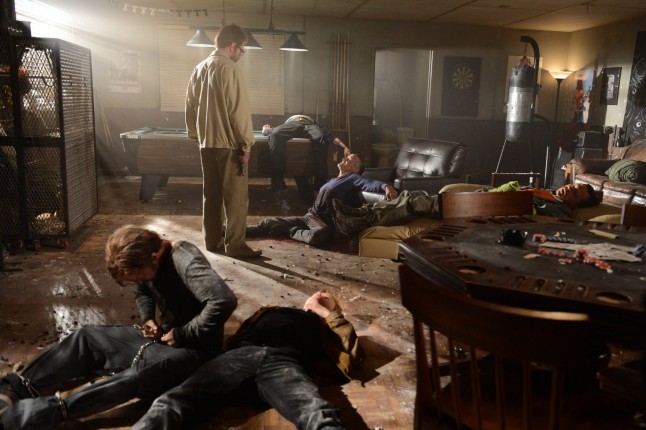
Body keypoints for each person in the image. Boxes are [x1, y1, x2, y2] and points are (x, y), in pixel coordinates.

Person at [0, 225, 237, 429]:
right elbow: (143, 291)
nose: (139, 281)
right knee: (88, 336)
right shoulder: (146, 262)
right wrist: (148, 319)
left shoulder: (185, 259)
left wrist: (183, 333)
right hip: (164, 340)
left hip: (195, 353)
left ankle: (44, 413)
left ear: (154, 256)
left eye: (140, 276)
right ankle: (16, 389)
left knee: (140, 372)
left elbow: (223, 301)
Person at [131, 290, 365, 429]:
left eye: (326, 299)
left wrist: (325, 314)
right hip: (240, 355)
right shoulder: (273, 309)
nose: (320, 296)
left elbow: (352, 354)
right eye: (318, 294)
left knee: (317, 411)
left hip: (284, 363)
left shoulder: (326, 328)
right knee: (172, 402)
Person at [185, 23, 261, 259]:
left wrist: (196, 136)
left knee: (211, 195)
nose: (241, 54)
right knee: (236, 198)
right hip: (229, 144)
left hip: (206, 143)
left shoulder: (199, 68)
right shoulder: (230, 69)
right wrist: (246, 144)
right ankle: (235, 245)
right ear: (232, 46)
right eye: (242, 49)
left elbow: (190, 106)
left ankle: (211, 241)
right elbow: (238, 111)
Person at [332, 182, 601, 236]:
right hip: (479, 200)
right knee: (413, 196)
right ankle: (363, 213)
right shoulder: (549, 192)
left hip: (481, 209)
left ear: (576, 204)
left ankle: (362, 220)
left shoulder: (561, 212)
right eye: (573, 185)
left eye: (575, 193)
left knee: (417, 202)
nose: (569, 189)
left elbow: (538, 217)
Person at [246, 153, 398, 246]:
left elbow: (369, 183)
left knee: (319, 236)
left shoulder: (354, 178)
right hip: (309, 216)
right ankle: (241, 231)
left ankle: (290, 230)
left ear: (355, 169)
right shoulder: (333, 180)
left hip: (322, 223)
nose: (344, 158)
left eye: (349, 159)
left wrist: (386, 186)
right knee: (269, 222)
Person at [261, 115, 351, 191]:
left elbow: (331, 136)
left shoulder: (317, 125)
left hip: (311, 124)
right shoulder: (290, 123)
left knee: (322, 138)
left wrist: (344, 147)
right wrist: (265, 130)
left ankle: (320, 183)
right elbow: (274, 131)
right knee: (275, 135)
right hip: (292, 123)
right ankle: (278, 181)